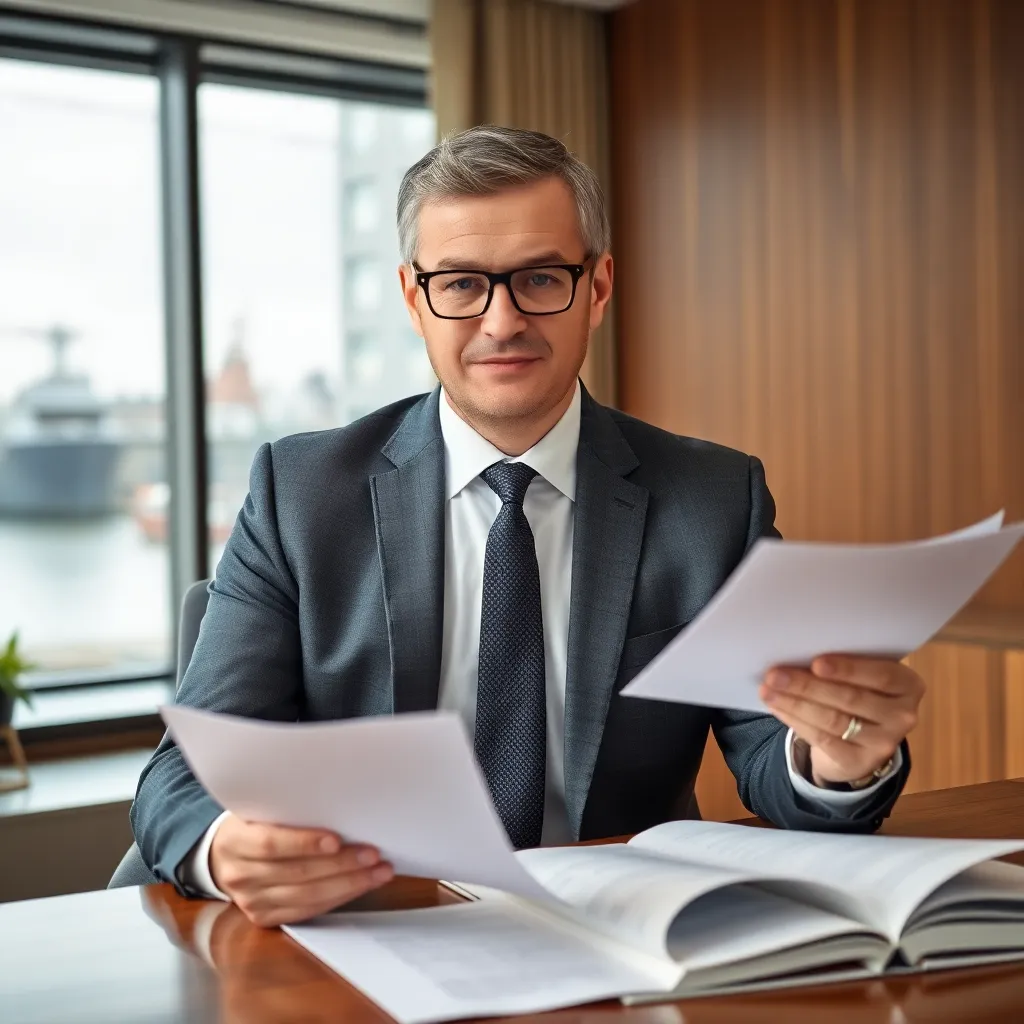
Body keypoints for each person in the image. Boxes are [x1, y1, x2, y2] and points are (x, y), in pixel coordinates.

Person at [132, 125, 924, 928]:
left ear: (599, 287)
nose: (502, 321)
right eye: (463, 284)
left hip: (620, 937)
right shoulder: (301, 494)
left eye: (541, 278)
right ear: (415, 298)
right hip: (370, 932)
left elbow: (770, 748)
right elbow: (181, 778)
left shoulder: (713, 498)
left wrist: (836, 759)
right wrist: (226, 847)